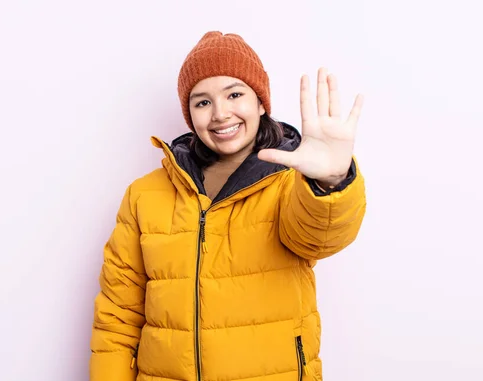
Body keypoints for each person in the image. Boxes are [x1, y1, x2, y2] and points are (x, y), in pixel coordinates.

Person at [89, 31, 366, 381]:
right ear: (190, 115)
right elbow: (117, 318)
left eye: (234, 94)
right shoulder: (145, 195)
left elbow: (320, 238)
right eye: (202, 102)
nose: (220, 113)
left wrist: (331, 181)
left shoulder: (288, 183)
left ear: (261, 103)